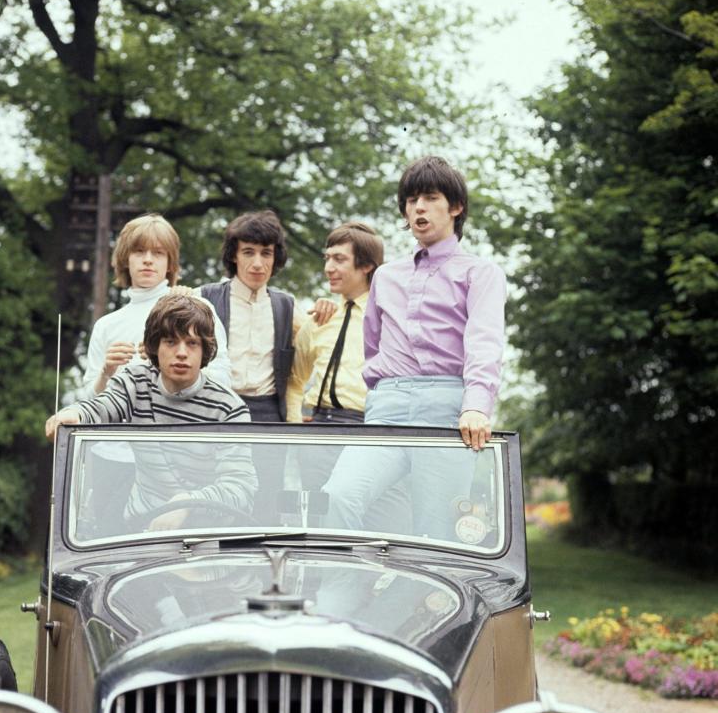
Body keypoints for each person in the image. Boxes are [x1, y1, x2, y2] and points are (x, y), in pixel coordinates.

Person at [322, 155, 506, 541]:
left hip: (448, 409)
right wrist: (384, 389)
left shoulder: (480, 272)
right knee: (340, 493)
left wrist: (475, 405)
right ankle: (339, 594)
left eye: (429, 198)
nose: (418, 208)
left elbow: (484, 342)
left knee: (436, 531)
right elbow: (373, 344)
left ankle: (425, 602)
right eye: (410, 200)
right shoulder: (387, 277)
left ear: (455, 207)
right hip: (387, 408)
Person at [46, 295, 255, 532]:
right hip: (141, 531)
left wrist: (185, 504)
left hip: (206, 537)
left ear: (205, 349)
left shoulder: (229, 408)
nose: (182, 353)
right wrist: (74, 414)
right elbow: (103, 406)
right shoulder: (136, 381)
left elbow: (241, 487)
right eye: (170, 342)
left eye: (192, 343)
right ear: (154, 346)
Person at [70, 213, 231, 400]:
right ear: (125, 259)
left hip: (181, 426)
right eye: (139, 251)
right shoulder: (105, 326)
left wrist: (163, 361)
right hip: (122, 428)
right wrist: (106, 373)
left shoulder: (197, 308)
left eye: (158, 253)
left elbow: (223, 381)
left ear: (170, 263)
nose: (148, 259)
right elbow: (88, 402)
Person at [197, 209, 295, 422]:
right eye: (248, 252)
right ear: (234, 255)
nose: (258, 263)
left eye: (266, 253)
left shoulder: (287, 304)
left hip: (270, 413)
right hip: (217, 407)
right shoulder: (205, 297)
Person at [286, 221, 385, 426]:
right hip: (318, 427)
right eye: (327, 258)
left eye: (339, 259)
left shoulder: (387, 318)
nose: (328, 268)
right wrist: (295, 424)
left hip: (368, 426)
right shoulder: (320, 318)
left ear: (367, 265)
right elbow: (295, 380)